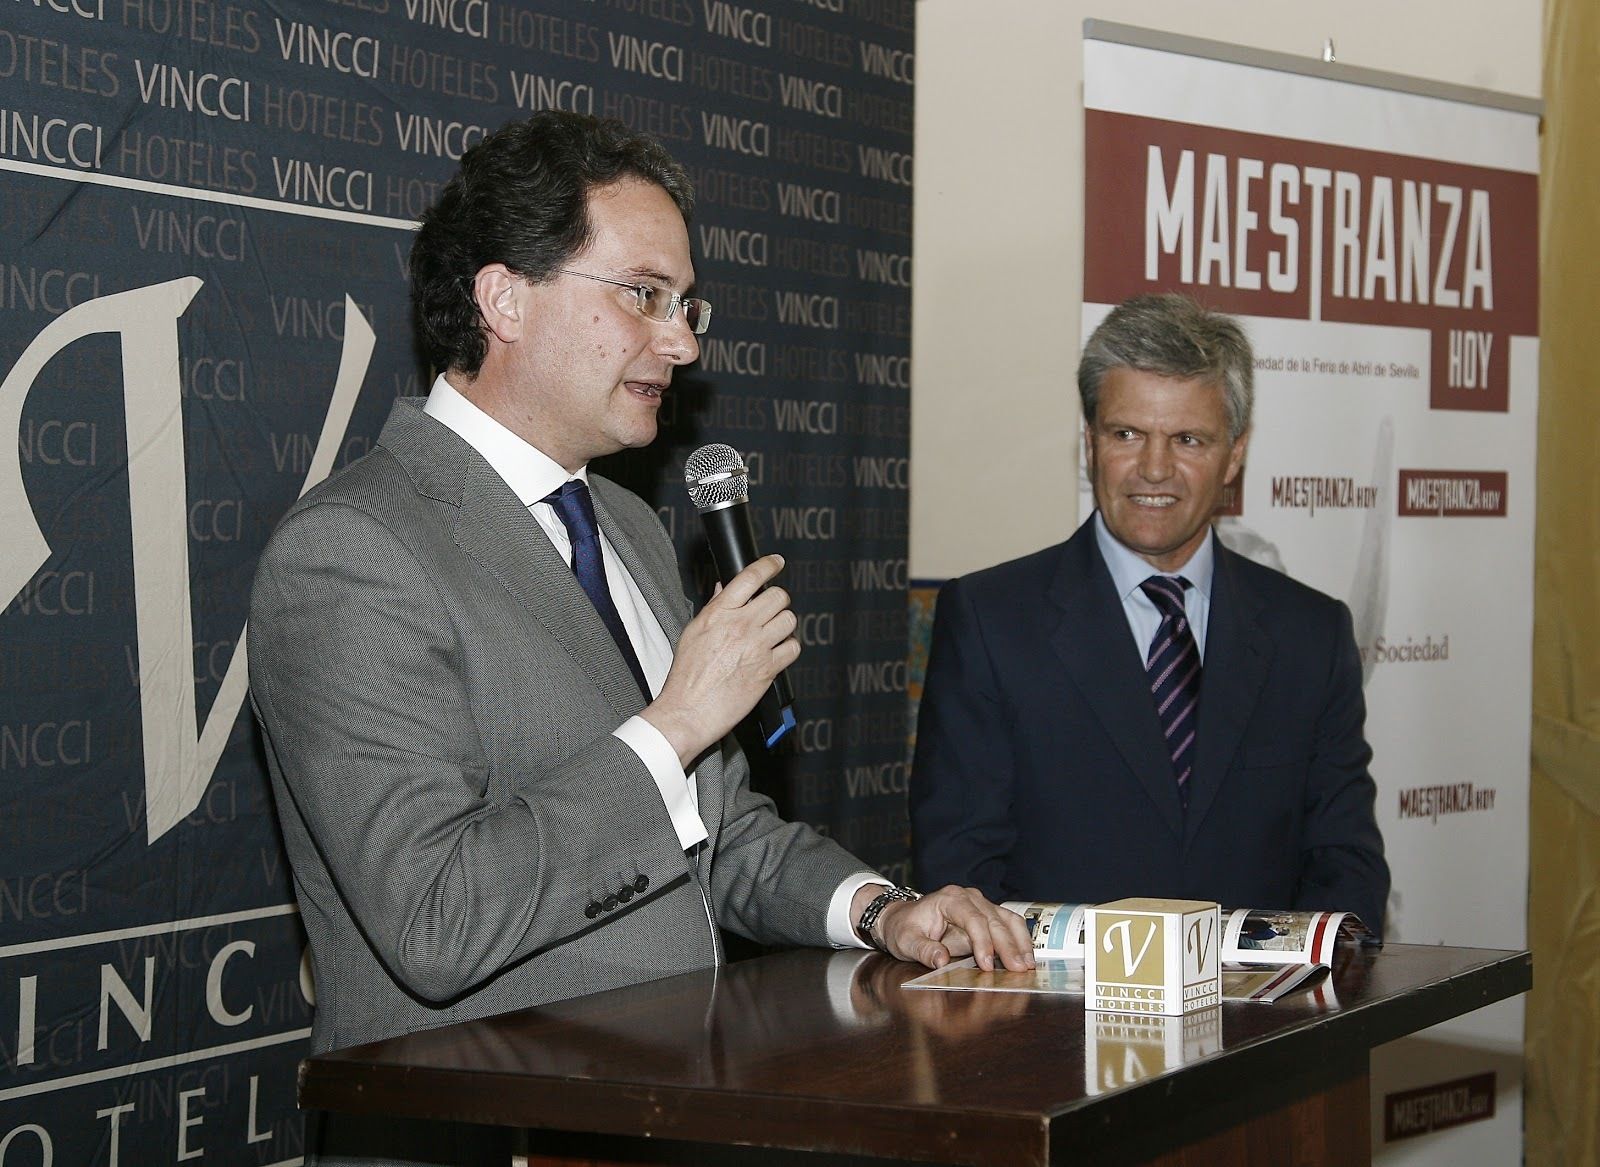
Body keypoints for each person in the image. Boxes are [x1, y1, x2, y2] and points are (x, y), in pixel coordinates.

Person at [248, 112, 1032, 1167]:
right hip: (478, 1138)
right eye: (643, 296)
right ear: (503, 299)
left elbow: (718, 833)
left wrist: (882, 913)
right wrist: (673, 724)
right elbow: (433, 922)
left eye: (685, 303)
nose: (683, 341)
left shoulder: (623, 526)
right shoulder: (352, 551)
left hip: (669, 1120)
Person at [909, 294, 1389, 932]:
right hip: (1054, 1020)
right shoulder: (990, 622)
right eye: (1127, 434)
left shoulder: (1311, 635)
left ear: (1234, 456)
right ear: (1090, 443)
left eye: (1188, 439)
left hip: (1267, 1022)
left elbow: (1346, 868)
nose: (1154, 469)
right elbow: (961, 876)